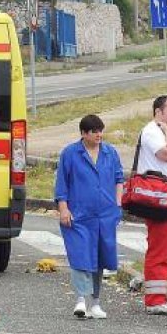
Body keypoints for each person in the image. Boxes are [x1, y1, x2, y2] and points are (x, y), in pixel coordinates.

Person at [54, 114, 125, 318]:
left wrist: (118, 203)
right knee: (80, 256)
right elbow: (62, 184)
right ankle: (80, 300)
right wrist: (63, 208)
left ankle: (95, 302)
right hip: (79, 216)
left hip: (105, 215)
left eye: (100, 130)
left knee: (100, 258)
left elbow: (119, 178)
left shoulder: (110, 153)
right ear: (84, 133)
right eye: (94, 131)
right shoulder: (70, 153)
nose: (98, 135)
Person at [136, 95, 167, 316]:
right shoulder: (153, 132)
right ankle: (155, 300)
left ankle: (158, 297)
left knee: (164, 249)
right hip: (160, 201)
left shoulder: (155, 131)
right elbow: (166, 154)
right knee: (160, 250)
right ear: (158, 112)